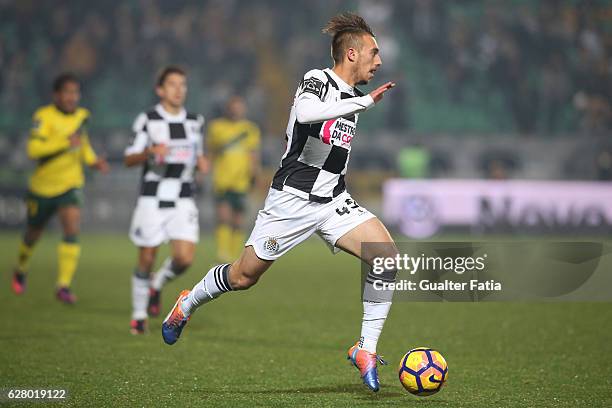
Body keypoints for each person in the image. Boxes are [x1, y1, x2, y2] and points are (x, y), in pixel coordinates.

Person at [162, 13, 397, 392]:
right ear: (351, 53)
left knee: (385, 256)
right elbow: (305, 114)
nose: (379, 60)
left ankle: (365, 349)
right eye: (373, 52)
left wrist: (361, 101)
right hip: (291, 201)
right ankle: (186, 304)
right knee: (243, 276)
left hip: (333, 201)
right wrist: (366, 103)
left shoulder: (354, 96)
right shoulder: (317, 80)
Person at [124, 66, 208, 335]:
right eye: (172, 84)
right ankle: (138, 315)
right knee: (146, 258)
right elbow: (128, 158)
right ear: (160, 90)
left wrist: (201, 163)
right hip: (153, 196)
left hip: (183, 196)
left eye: (182, 85)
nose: (178, 89)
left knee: (184, 259)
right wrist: (150, 152)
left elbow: (196, 157)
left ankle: (156, 284)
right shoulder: (148, 119)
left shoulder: (196, 121)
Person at [11, 73, 109, 304]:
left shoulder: (83, 116)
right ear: (56, 95)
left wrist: (93, 161)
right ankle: (21, 266)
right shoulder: (43, 116)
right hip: (42, 188)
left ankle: (63, 285)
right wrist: (64, 143)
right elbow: (34, 150)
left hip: (70, 184)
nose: (72, 97)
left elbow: (82, 144)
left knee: (71, 228)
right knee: (33, 234)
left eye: (75, 92)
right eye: (67, 92)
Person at [207, 96, 261, 262]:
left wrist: (254, 174)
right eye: (234, 107)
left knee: (238, 219)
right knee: (223, 216)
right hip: (223, 179)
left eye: (240, 107)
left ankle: (234, 253)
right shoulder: (216, 127)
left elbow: (253, 154)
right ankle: (222, 252)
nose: (237, 110)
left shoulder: (250, 129)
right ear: (228, 108)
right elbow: (211, 151)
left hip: (241, 180)